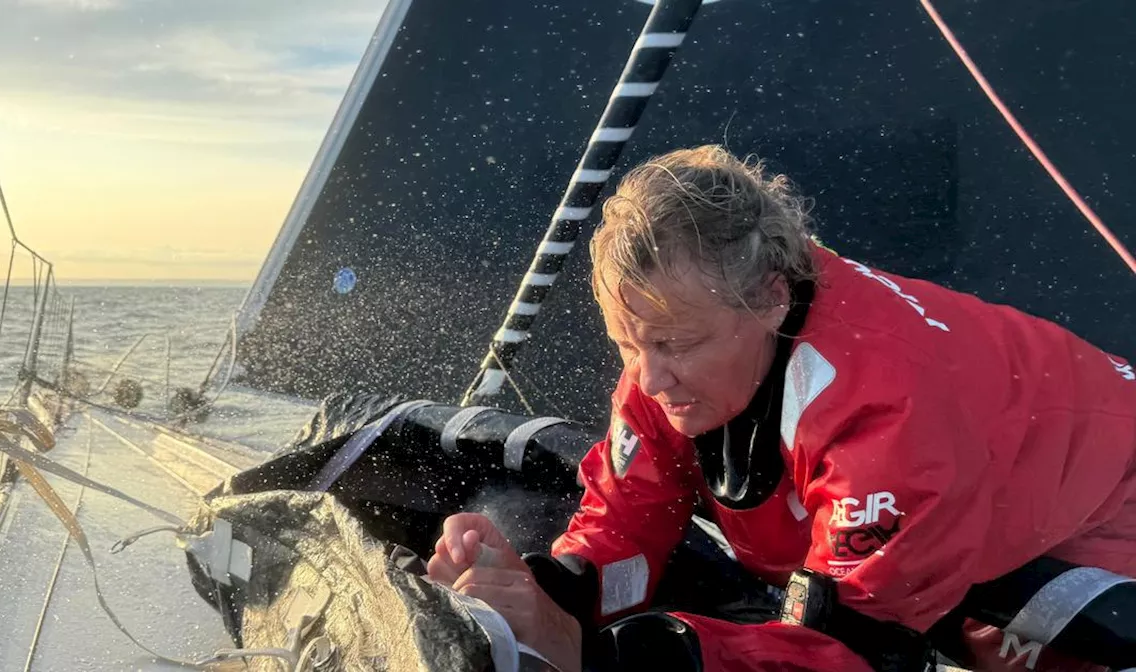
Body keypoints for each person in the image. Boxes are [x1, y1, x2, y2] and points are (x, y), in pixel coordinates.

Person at [426, 145, 1136, 672]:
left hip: (1104, 514)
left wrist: (598, 655)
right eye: (627, 344)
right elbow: (625, 513)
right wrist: (550, 589)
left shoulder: (886, 411)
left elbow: (849, 649)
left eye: (676, 343)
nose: (649, 377)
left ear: (770, 297)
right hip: (964, 496)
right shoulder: (669, 360)